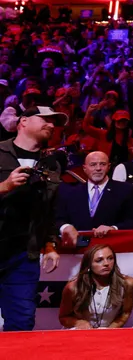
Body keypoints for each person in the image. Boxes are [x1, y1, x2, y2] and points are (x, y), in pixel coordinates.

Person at [0, 106, 64, 331]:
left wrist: (50, 244)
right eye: (45, 119)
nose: (51, 124)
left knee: (22, 322)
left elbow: (49, 211)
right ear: (23, 121)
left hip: (23, 255)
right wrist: (3, 187)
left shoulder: (51, 164)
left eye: (54, 121)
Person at [56, 150, 133, 246]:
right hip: (78, 250)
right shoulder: (69, 192)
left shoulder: (126, 190)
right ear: (84, 168)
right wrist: (66, 227)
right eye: (93, 165)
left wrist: (113, 228)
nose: (98, 168)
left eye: (102, 164)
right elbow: (58, 219)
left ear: (109, 167)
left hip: (111, 247)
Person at [58, 244, 133, 329]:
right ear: (88, 265)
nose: (106, 263)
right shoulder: (73, 287)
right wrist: (78, 322)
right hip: (80, 332)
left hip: (110, 331)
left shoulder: (128, 283)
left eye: (110, 258)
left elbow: (125, 313)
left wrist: (110, 330)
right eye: (99, 260)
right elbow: (63, 317)